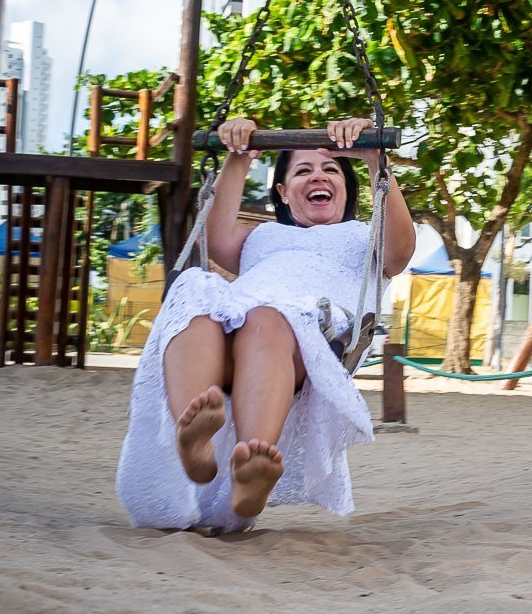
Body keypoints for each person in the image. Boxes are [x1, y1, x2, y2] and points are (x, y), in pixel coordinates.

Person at [116, 117, 415, 532]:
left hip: (304, 340)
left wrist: (374, 160)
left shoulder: (361, 238)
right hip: (235, 335)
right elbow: (215, 240)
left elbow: (400, 250)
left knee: (267, 317)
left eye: (330, 169)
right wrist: (237, 159)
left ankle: (251, 466)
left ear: (347, 189)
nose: (318, 176)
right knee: (194, 287)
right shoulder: (262, 236)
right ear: (283, 192)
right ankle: (195, 438)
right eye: (303, 170)